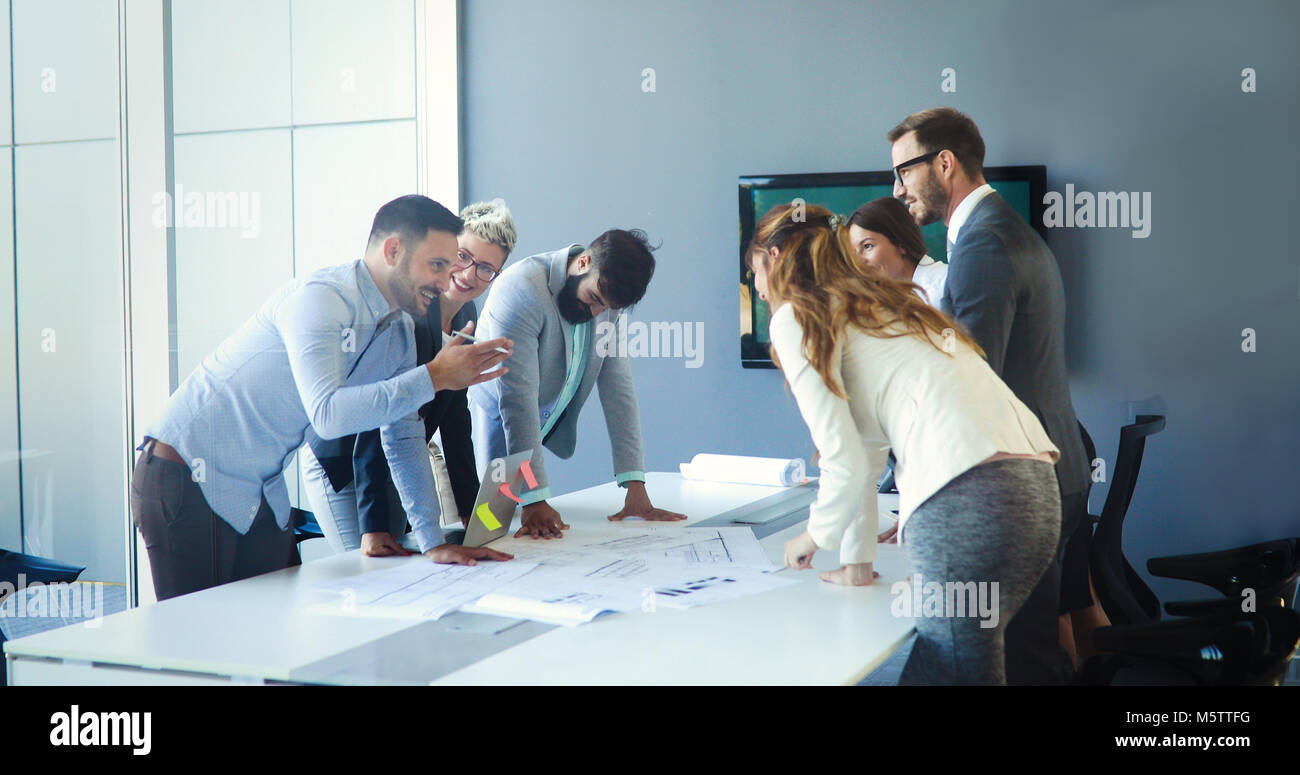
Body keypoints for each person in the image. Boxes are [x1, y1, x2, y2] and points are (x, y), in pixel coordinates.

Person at [131, 195, 514, 601]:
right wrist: (434, 376)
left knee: (273, 642)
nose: (445, 280)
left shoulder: (400, 331)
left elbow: (402, 436)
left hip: (259, 488)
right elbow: (327, 414)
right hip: (184, 473)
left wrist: (432, 540)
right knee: (196, 645)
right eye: (438, 265)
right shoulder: (322, 298)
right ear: (393, 251)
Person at [750, 202, 1061, 685]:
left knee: (954, 669)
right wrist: (857, 563)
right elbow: (866, 450)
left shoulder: (795, 318)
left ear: (773, 255)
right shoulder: (885, 303)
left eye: (754, 272)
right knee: (946, 669)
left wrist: (813, 537)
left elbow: (843, 458)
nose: (757, 286)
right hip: (1034, 486)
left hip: (966, 497)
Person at [888, 107, 1092, 682]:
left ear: (945, 163)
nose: (898, 190)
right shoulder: (1000, 229)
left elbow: (970, 384)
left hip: (1021, 482)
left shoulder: (984, 245)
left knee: (1024, 659)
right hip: (1055, 464)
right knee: (1033, 650)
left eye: (903, 172)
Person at [300, 199, 517, 556]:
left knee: (404, 562)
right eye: (463, 257)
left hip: (397, 454)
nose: (468, 275)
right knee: (371, 570)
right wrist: (374, 523)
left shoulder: (466, 312)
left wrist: (470, 511)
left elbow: (455, 417)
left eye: (486, 269)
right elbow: (377, 415)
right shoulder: (412, 312)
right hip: (343, 458)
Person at [469, 229, 687, 539]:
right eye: (595, 300)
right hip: (493, 414)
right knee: (488, 531)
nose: (597, 313)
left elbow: (618, 387)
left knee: (524, 542)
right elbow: (517, 399)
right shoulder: (521, 288)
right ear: (583, 261)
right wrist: (535, 497)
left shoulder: (607, 300)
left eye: (607, 308)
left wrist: (635, 484)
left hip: (539, 418)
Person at [847, 197, 948, 307]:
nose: (859, 261)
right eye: (854, 252)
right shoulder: (883, 301)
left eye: (867, 246)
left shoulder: (941, 288)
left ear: (901, 243)